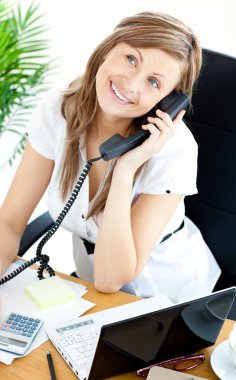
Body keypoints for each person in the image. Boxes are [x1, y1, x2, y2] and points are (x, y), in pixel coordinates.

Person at [0, 11, 221, 303]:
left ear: (168, 102)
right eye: (131, 59)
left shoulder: (174, 151)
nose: (131, 85)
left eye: (154, 82)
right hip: (92, 290)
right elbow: (10, 222)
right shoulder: (59, 110)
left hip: (169, 298)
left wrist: (125, 169)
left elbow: (110, 278)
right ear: (108, 48)